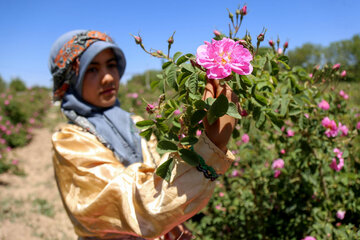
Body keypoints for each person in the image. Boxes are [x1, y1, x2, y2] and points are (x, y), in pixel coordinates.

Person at [49, 30, 237, 240]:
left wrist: (172, 226)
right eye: (91, 69)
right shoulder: (69, 142)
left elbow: (159, 179)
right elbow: (135, 207)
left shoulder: (136, 123)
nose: (108, 77)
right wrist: (210, 148)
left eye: (111, 65)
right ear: (70, 79)